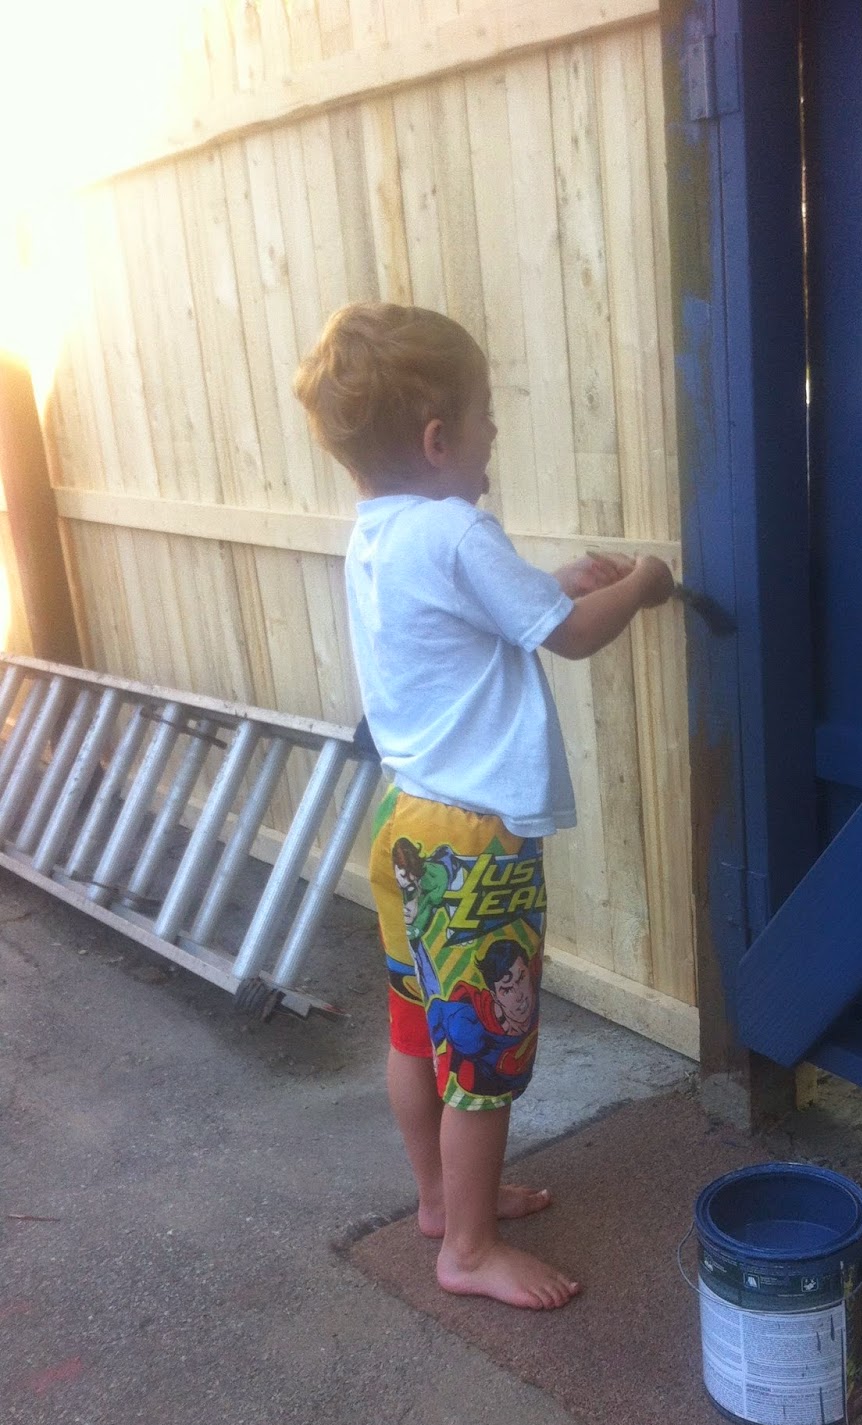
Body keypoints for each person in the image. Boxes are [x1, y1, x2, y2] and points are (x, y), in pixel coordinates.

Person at [294, 303, 674, 1310]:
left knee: (416, 1026)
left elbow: (475, 619)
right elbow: (572, 635)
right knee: (483, 1055)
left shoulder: (377, 535)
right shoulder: (458, 529)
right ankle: (466, 1249)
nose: (494, 432)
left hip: (406, 826)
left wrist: (552, 583)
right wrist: (641, 583)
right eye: (485, 417)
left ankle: (440, 1200)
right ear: (438, 440)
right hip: (474, 846)